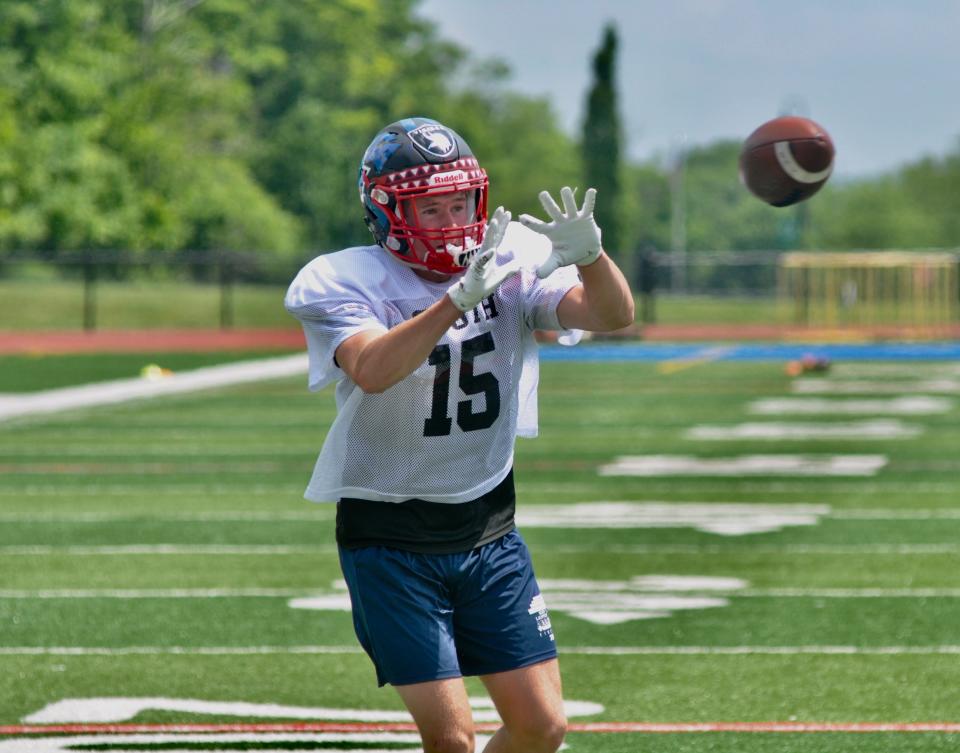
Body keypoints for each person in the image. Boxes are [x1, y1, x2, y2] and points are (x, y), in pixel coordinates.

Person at [285, 116, 634, 753]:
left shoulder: (510, 255)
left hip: (489, 524)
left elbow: (611, 315)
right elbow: (373, 369)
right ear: (387, 212)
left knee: (542, 726)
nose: (450, 221)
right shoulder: (342, 279)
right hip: (390, 533)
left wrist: (593, 258)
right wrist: (451, 301)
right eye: (430, 207)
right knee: (451, 740)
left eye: (458, 203)